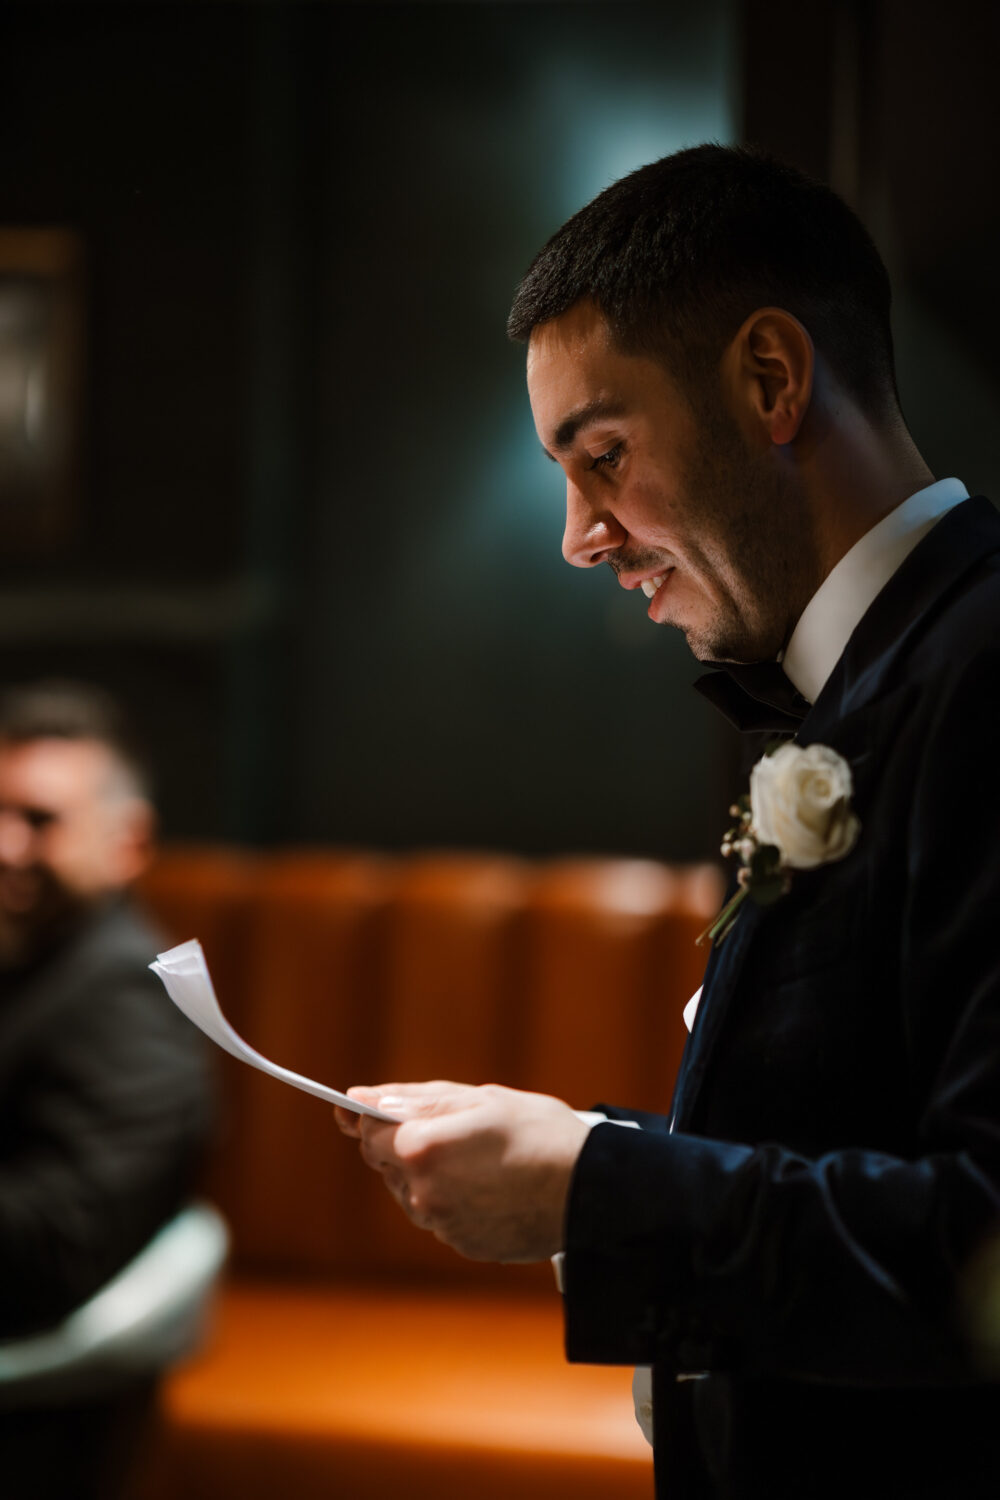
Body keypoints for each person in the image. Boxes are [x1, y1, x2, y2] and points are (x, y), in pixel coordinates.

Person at [336, 145, 1000, 1497]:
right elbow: (857, 1140)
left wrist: (597, 1189)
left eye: (604, 454)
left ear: (769, 379)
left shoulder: (987, 672)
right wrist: (590, 1159)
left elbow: (983, 1245)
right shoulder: (866, 682)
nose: (580, 535)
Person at [0, 680, 212, 1498]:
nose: (6, 844)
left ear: (129, 842)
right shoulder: (32, 965)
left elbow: (62, 1242)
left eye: (38, 821)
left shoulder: (122, 995)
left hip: (46, 1419)